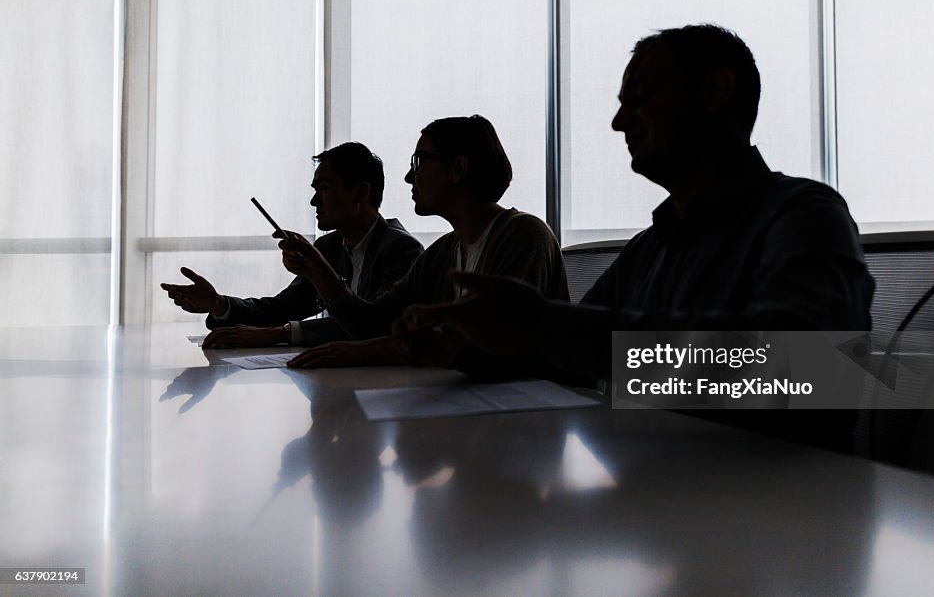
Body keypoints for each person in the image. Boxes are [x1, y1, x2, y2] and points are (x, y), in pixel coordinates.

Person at [400, 25, 875, 452]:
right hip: (665, 503)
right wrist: (465, 351)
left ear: (715, 90)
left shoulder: (805, 214)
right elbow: (573, 356)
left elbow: (804, 368)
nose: (618, 121)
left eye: (640, 96)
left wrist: (544, 325)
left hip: (786, 519)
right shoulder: (652, 246)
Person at [282, 115, 568, 370]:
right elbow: (373, 324)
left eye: (419, 161)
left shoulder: (526, 235)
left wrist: (368, 351)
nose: (409, 177)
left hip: (531, 418)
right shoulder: (442, 252)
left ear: (458, 168)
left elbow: (496, 348)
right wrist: (318, 270)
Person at [161, 142, 423, 348]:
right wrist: (219, 304)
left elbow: (373, 326)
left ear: (361, 193)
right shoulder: (329, 246)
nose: (313, 202)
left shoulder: (402, 250)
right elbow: (283, 307)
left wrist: (281, 334)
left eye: (324, 188)